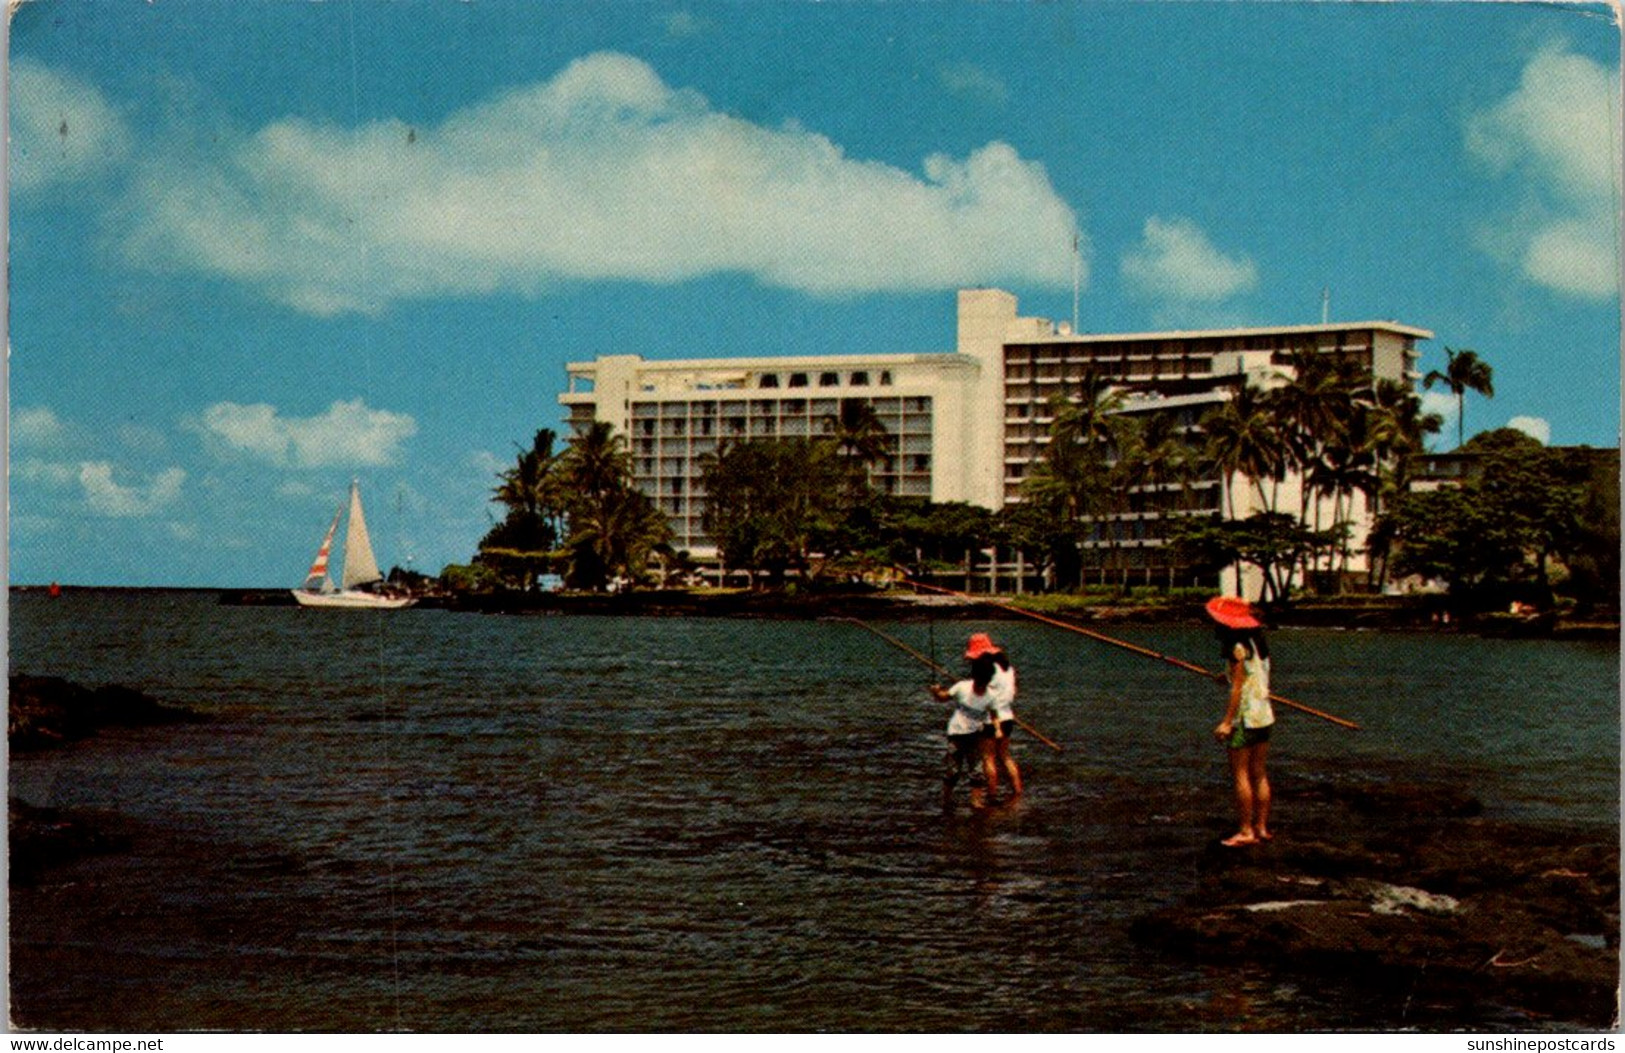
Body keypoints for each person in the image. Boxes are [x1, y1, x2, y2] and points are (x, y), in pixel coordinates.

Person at [1206, 596, 1274, 847]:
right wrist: (1226, 676)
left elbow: (1238, 689)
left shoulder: (1236, 646)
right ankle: (1261, 828)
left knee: (1241, 774)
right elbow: (1252, 675)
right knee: (1259, 772)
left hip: (1245, 718)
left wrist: (1227, 722)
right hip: (1265, 715)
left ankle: (1245, 831)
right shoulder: (1258, 644)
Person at [929, 645, 999, 810]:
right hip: (956, 735)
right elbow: (943, 698)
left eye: (985, 683)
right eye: (980, 682)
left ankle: (976, 802)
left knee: (976, 771)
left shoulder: (991, 696)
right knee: (952, 772)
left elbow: (994, 715)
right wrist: (936, 692)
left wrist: (997, 728)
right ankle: (946, 801)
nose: (981, 686)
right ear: (975, 677)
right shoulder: (962, 687)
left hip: (975, 736)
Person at [964, 632, 1023, 798]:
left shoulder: (984, 669)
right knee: (1005, 756)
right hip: (1007, 716)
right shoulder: (1007, 668)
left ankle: (992, 796)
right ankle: (1018, 792)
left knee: (988, 758)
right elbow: (1010, 692)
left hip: (990, 719)